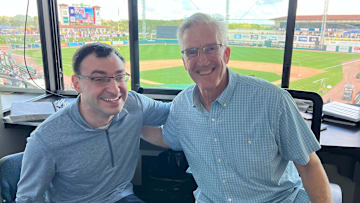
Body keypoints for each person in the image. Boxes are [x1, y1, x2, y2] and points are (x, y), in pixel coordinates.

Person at [142, 13, 332, 202]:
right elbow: (166, 137)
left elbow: (309, 166)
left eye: (210, 48)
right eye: (192, 52)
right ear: (184, 61)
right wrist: (128, 120)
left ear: (226, 54)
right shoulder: (182, 106)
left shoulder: (272, 100)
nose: (203, 60)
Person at [16, 42, 170, 203]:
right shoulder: (46, 139)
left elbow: (172, 112)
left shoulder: (133, 103)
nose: (115, 89)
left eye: (119, 77)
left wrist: (198, 89)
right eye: (99, 79)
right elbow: (27, 199)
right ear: (77, 84)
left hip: (121, 196)